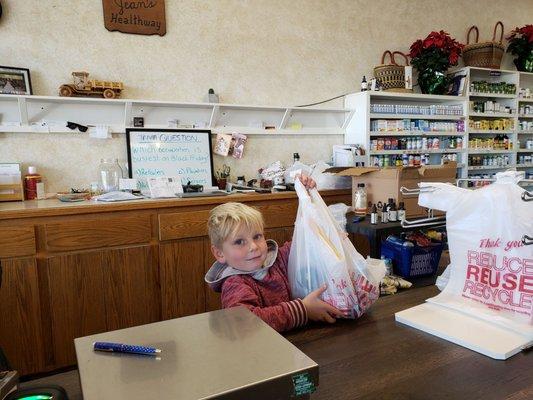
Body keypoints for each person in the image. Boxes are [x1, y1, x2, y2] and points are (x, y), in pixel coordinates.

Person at [204, 175, 345, 332]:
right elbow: (244, 323)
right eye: (239, 242)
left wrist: (308, 195)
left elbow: (306, 244)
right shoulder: (234, 284)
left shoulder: (277, 259)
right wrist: (303, 309)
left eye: (257, 236)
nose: (253, 247)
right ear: (219, 253)